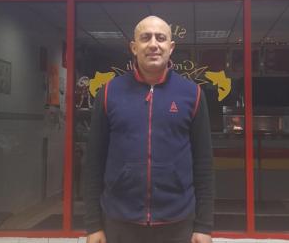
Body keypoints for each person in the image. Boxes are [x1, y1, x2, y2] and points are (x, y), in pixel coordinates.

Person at [83, 15, 214, 243]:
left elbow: (204, 163)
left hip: (178, 221)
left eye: (161, 38)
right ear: (134, 47)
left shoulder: (192, 95)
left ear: (171, 47)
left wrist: (203, 226)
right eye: (145, 38)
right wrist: (93, 225)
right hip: (119, 221)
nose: (153, 44)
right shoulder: (108, 94)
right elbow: (94, 162)